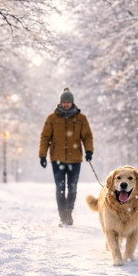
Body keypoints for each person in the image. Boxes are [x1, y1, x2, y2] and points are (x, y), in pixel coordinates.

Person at [39, 87, 94, 227]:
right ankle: (62, 215)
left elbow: (87, 136)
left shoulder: (81, 118)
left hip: (75, 159)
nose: (66, 104)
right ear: (60, 103)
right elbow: (45, 137)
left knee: (73, 187)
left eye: (68, 102)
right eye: (64, 102)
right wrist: (42, 155)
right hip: (57, 159)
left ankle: (69, 211)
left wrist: (89, 151)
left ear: (72, 103)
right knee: (60, 187)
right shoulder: (52, 118)